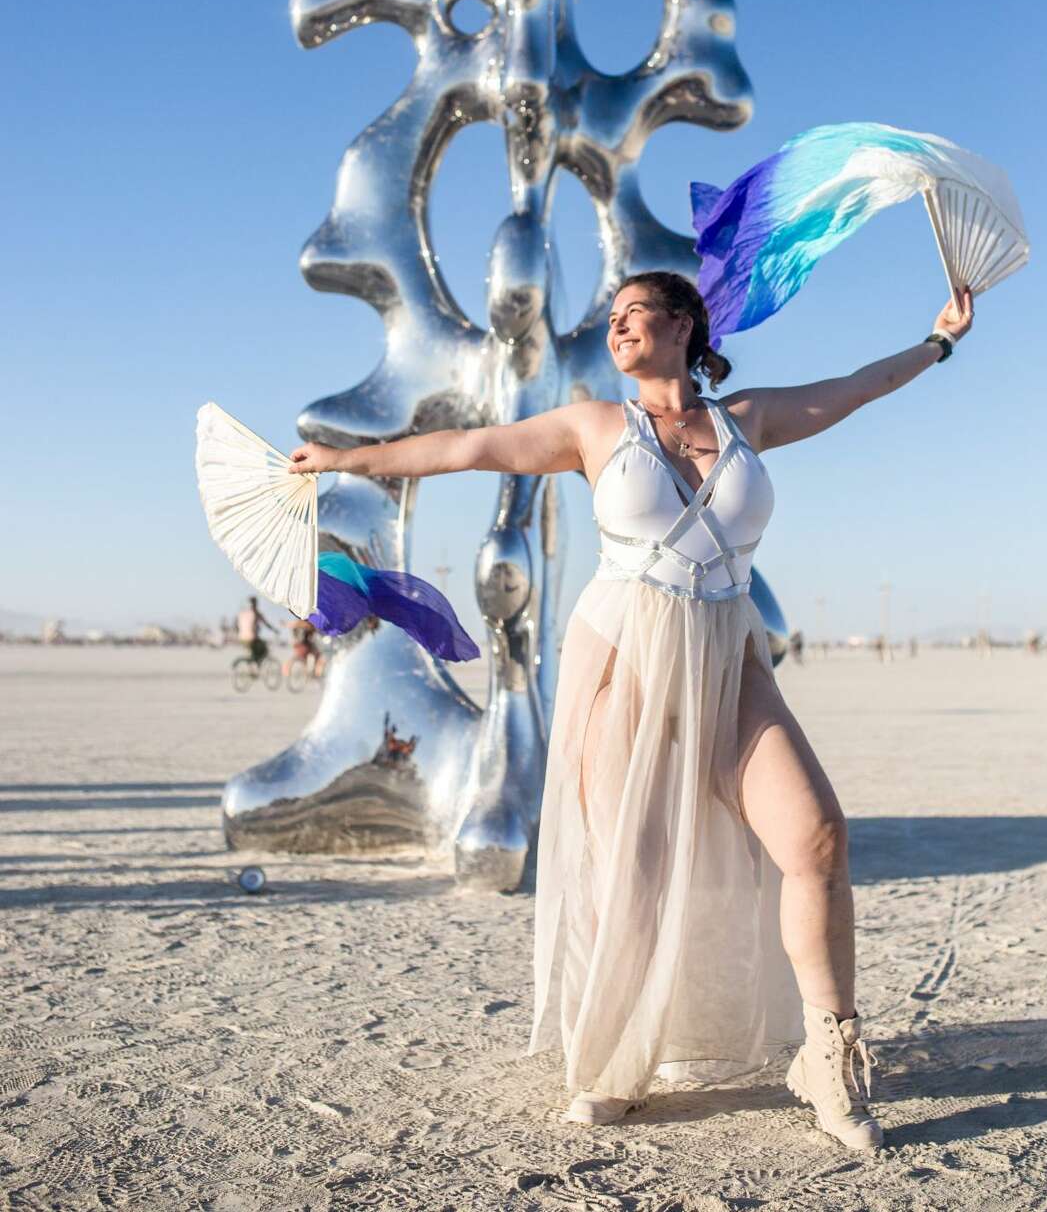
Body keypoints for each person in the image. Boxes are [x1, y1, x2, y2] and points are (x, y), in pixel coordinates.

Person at [288, 270, 973, 1149]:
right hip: (627, 653)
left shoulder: (747, 420)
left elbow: (856, 388)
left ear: (684, 323)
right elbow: (467, 446)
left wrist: (938, 340)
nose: (616, 329)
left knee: (816, 837)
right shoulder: (595, 426)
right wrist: (347, 459)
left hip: (730, 648)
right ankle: (614, 1059)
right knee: (634, 865)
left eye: (632, 313)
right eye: (610, 318)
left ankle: (831, 1062)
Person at [235, 594, 276, 665]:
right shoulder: (256, 613)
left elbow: (237, 625)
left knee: (253, 653)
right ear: (255, 604)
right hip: (252, 638)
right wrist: (274, 630)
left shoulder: (242, 612)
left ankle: (253, 664)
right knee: (264, 648)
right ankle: (257, 664)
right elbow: (266, 624)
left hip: (241, 637)